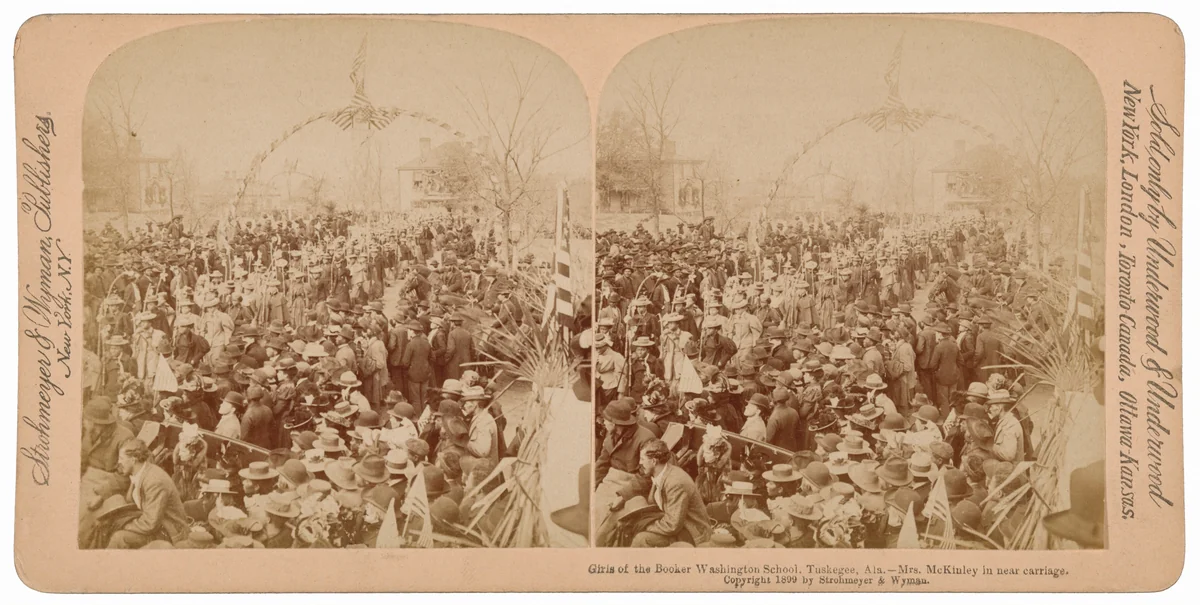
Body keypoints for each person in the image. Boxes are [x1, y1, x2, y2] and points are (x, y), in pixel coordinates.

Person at [107, 439, 189, 549]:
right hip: (155, 524)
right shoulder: (140, 472)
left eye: (121, 458)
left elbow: (151, 523)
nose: (119, 462)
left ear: (133, 459)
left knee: (119, 538)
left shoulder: (154, 481)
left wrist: (124, 526)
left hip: (168, 531)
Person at [630, 439, 712, 547]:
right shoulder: (661, 473)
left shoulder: (675, 482)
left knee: (641, 539)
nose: (640, 462)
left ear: (654, 461)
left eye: (642, 459)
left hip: (692, 531)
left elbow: (672, 525)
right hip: (677, 524)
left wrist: (645, 526)